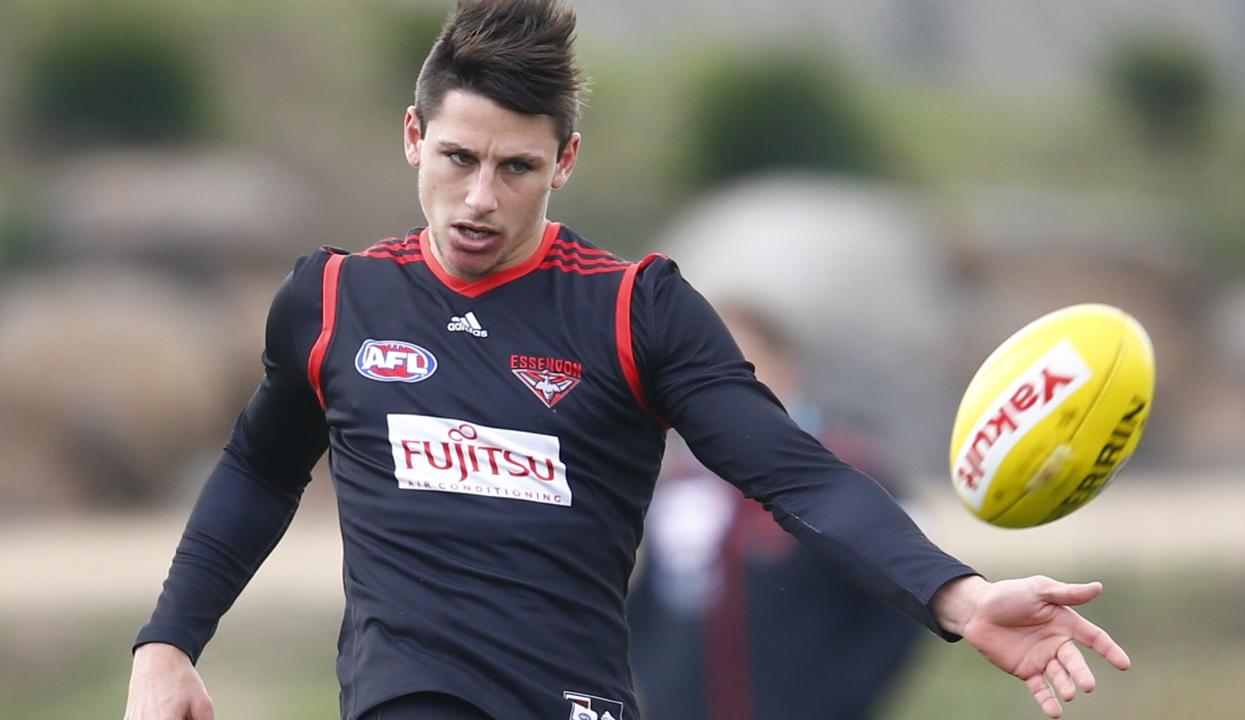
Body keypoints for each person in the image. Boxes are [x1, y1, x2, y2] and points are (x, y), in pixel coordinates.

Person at [124, 2, 1130, 719]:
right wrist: (167, 645)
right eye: (457, 159)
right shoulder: (335, 299)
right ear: (412, 138)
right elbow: (259, 469)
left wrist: (956, 595)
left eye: (515, 168)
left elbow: (792, 472)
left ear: (563, 162)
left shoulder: (632, 311)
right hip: (408, 693)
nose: (479, 198)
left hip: (579, 700)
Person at [628, 303, 924, 720]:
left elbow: (898, 610)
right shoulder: (680, 485)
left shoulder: (848, 472)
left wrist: (842, 699)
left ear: (785, 367)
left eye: (733, 363)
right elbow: (649, 608)